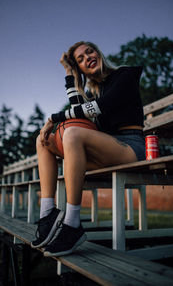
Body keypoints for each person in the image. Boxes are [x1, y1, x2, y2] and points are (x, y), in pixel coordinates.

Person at [31, 41, 145, 257]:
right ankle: (47, 214)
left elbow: (97, 109)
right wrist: (69, 72)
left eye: (89, 52)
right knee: (43, 139)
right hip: (109, 148)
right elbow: (78, 111)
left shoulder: (125, 75)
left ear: (99, 52)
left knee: (72, 133)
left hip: (131, 147)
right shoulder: (96, 91)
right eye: (80, 60)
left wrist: (53, 118)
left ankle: (73, 223)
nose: (87, 58)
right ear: (80, 69)